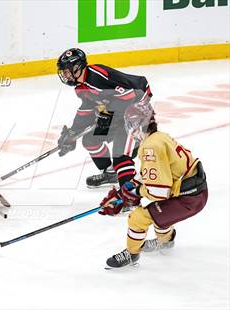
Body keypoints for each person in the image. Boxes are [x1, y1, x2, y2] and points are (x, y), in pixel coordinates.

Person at [99, 104, 208, 268]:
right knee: (158, 214)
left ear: (135, 125)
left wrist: (135, 193)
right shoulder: (158, 137)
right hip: (192, 191)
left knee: (138, 218)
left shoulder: (151, 146)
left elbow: (158, 192)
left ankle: (132, 254)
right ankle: (166, 241)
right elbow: (151, 173)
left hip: (189, 198)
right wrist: (125, 191)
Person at [56, 48, 153, 187]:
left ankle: (129, 196)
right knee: (90, 140)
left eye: (66, 71)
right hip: (115, 114)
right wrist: (73, 132)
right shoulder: (80, 86)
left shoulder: (97, 77)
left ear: (77, 68)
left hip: (136, 112)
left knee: (121, 155)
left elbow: (129, 96)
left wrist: (107, 114)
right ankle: (111, 173)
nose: (64, 75)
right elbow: (87, 108)